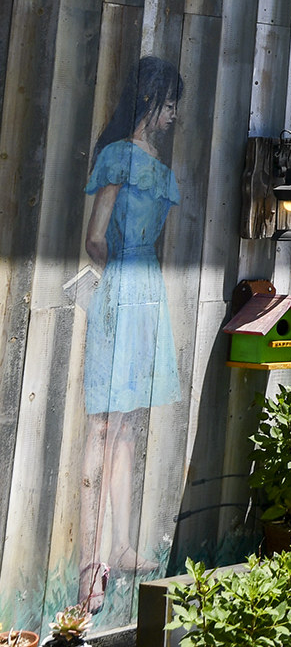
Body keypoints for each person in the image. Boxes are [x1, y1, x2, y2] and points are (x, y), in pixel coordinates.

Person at [75, 56, 184, 614]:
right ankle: (90, 565)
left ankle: (119, 544)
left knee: (126, 430)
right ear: (149, 102)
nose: (173, 114)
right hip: (124, 289)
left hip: (148, 295)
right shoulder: (120, 156)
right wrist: (120, 274)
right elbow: (96, 236)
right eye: (169, 104)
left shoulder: (158, 164)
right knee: (102, 429)